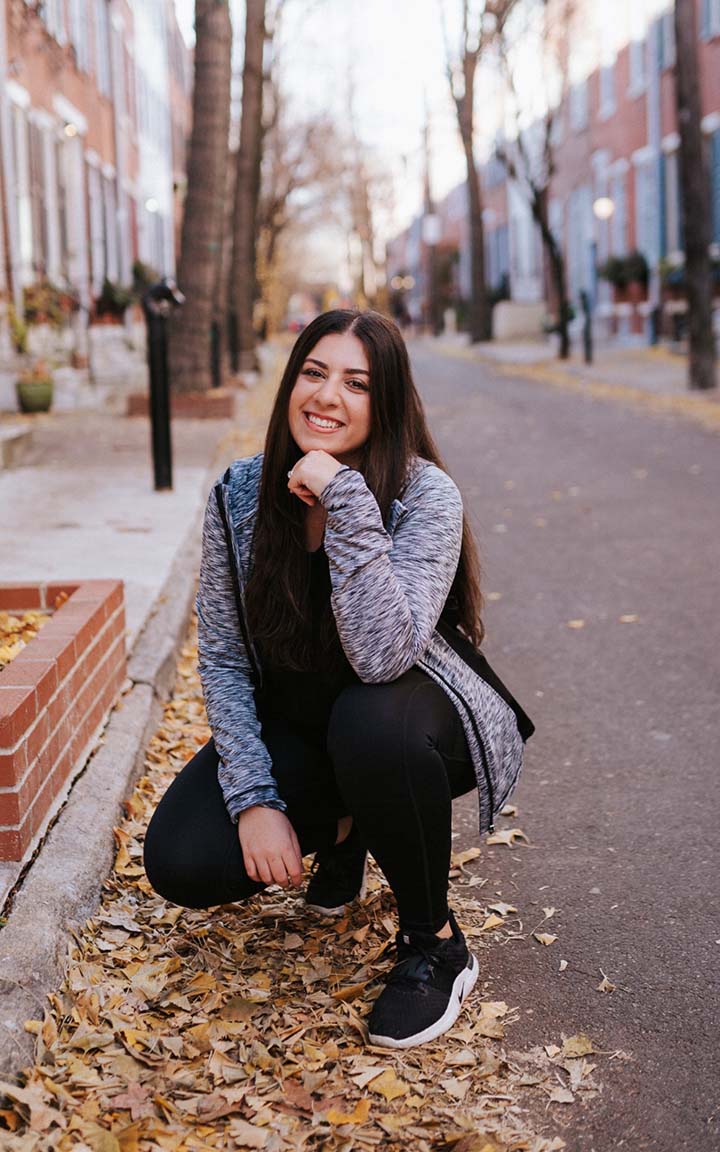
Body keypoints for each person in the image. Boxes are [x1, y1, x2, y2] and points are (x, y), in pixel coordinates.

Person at [144, 309, 534, 1049]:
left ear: (384, 403)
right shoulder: (239, 495)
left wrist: (344, 497)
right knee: (182, 860)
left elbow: (383, 655)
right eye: (314, 373)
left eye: (356, 384)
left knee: (369, 721)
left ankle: (434, 943)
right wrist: (256, 799)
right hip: (302, 724)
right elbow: (225, 659)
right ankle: (348, 828)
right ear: (290, 381)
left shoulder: (426, 495)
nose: (328, 397)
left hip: (410, 721)